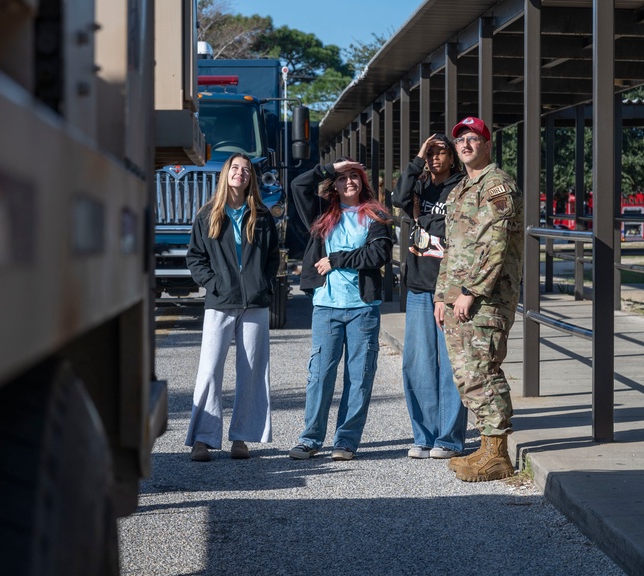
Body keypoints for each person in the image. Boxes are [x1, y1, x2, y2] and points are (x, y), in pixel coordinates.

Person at [434, 116, 524, 482]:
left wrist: (471, 292)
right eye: (460, 140)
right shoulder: (460, 190)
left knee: (483, 370)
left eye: (473, 139)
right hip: (459, 298)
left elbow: (494, 245)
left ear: (487, 145)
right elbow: (453, 249)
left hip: (486, 298)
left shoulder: (497, 185)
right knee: (467, 373)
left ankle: (497, 453)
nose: (466, 145)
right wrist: (443, 294)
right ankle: (487, 445)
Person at [288, 159, 394, 461]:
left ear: (363, 182)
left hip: (363, 308)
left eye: (354, 177)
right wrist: (329, 167)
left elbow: (378, 254)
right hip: (326, 306)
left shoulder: (376, 214)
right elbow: (298, 185)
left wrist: (337, 260)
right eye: (342, 178)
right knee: (320, 375)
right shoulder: (322, 213)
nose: (349, 182)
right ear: (334, 183)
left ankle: (345, 441)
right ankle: (310, 439)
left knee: (359, 377)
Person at [186, 153, 280, 462]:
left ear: (251, 178)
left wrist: (262, 284)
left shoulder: (263, 216)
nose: (240, 173)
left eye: (246, 170)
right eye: (235, 168)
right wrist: (214, 284)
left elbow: (272, 258)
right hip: (220, 302)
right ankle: (202, 438)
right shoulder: (207, 215)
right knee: (210, 369)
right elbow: (195, 257)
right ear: (226, 174)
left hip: (255, 303)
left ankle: (242, 438)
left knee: (252, 371)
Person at [392, 134, 469, 460]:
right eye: (430, 152)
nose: (435, 157)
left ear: (452, 158)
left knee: (450, 365)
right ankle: (423, 437)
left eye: (440, 152)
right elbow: (397, 197)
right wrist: (417, 157)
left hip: (449, 290)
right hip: (420, 289)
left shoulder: (461, 188)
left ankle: (449, 440)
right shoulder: (419, 187)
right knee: (417, 365)